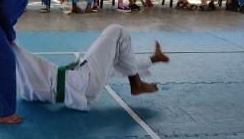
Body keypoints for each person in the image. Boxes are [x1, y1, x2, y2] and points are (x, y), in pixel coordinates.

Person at [13, 25, 168, 111]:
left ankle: (153, 59)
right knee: (117, 31)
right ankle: (137, 84)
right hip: (82, 82)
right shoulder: (9, 51)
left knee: (114, 61)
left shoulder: (21, 86)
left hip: (78, 87)